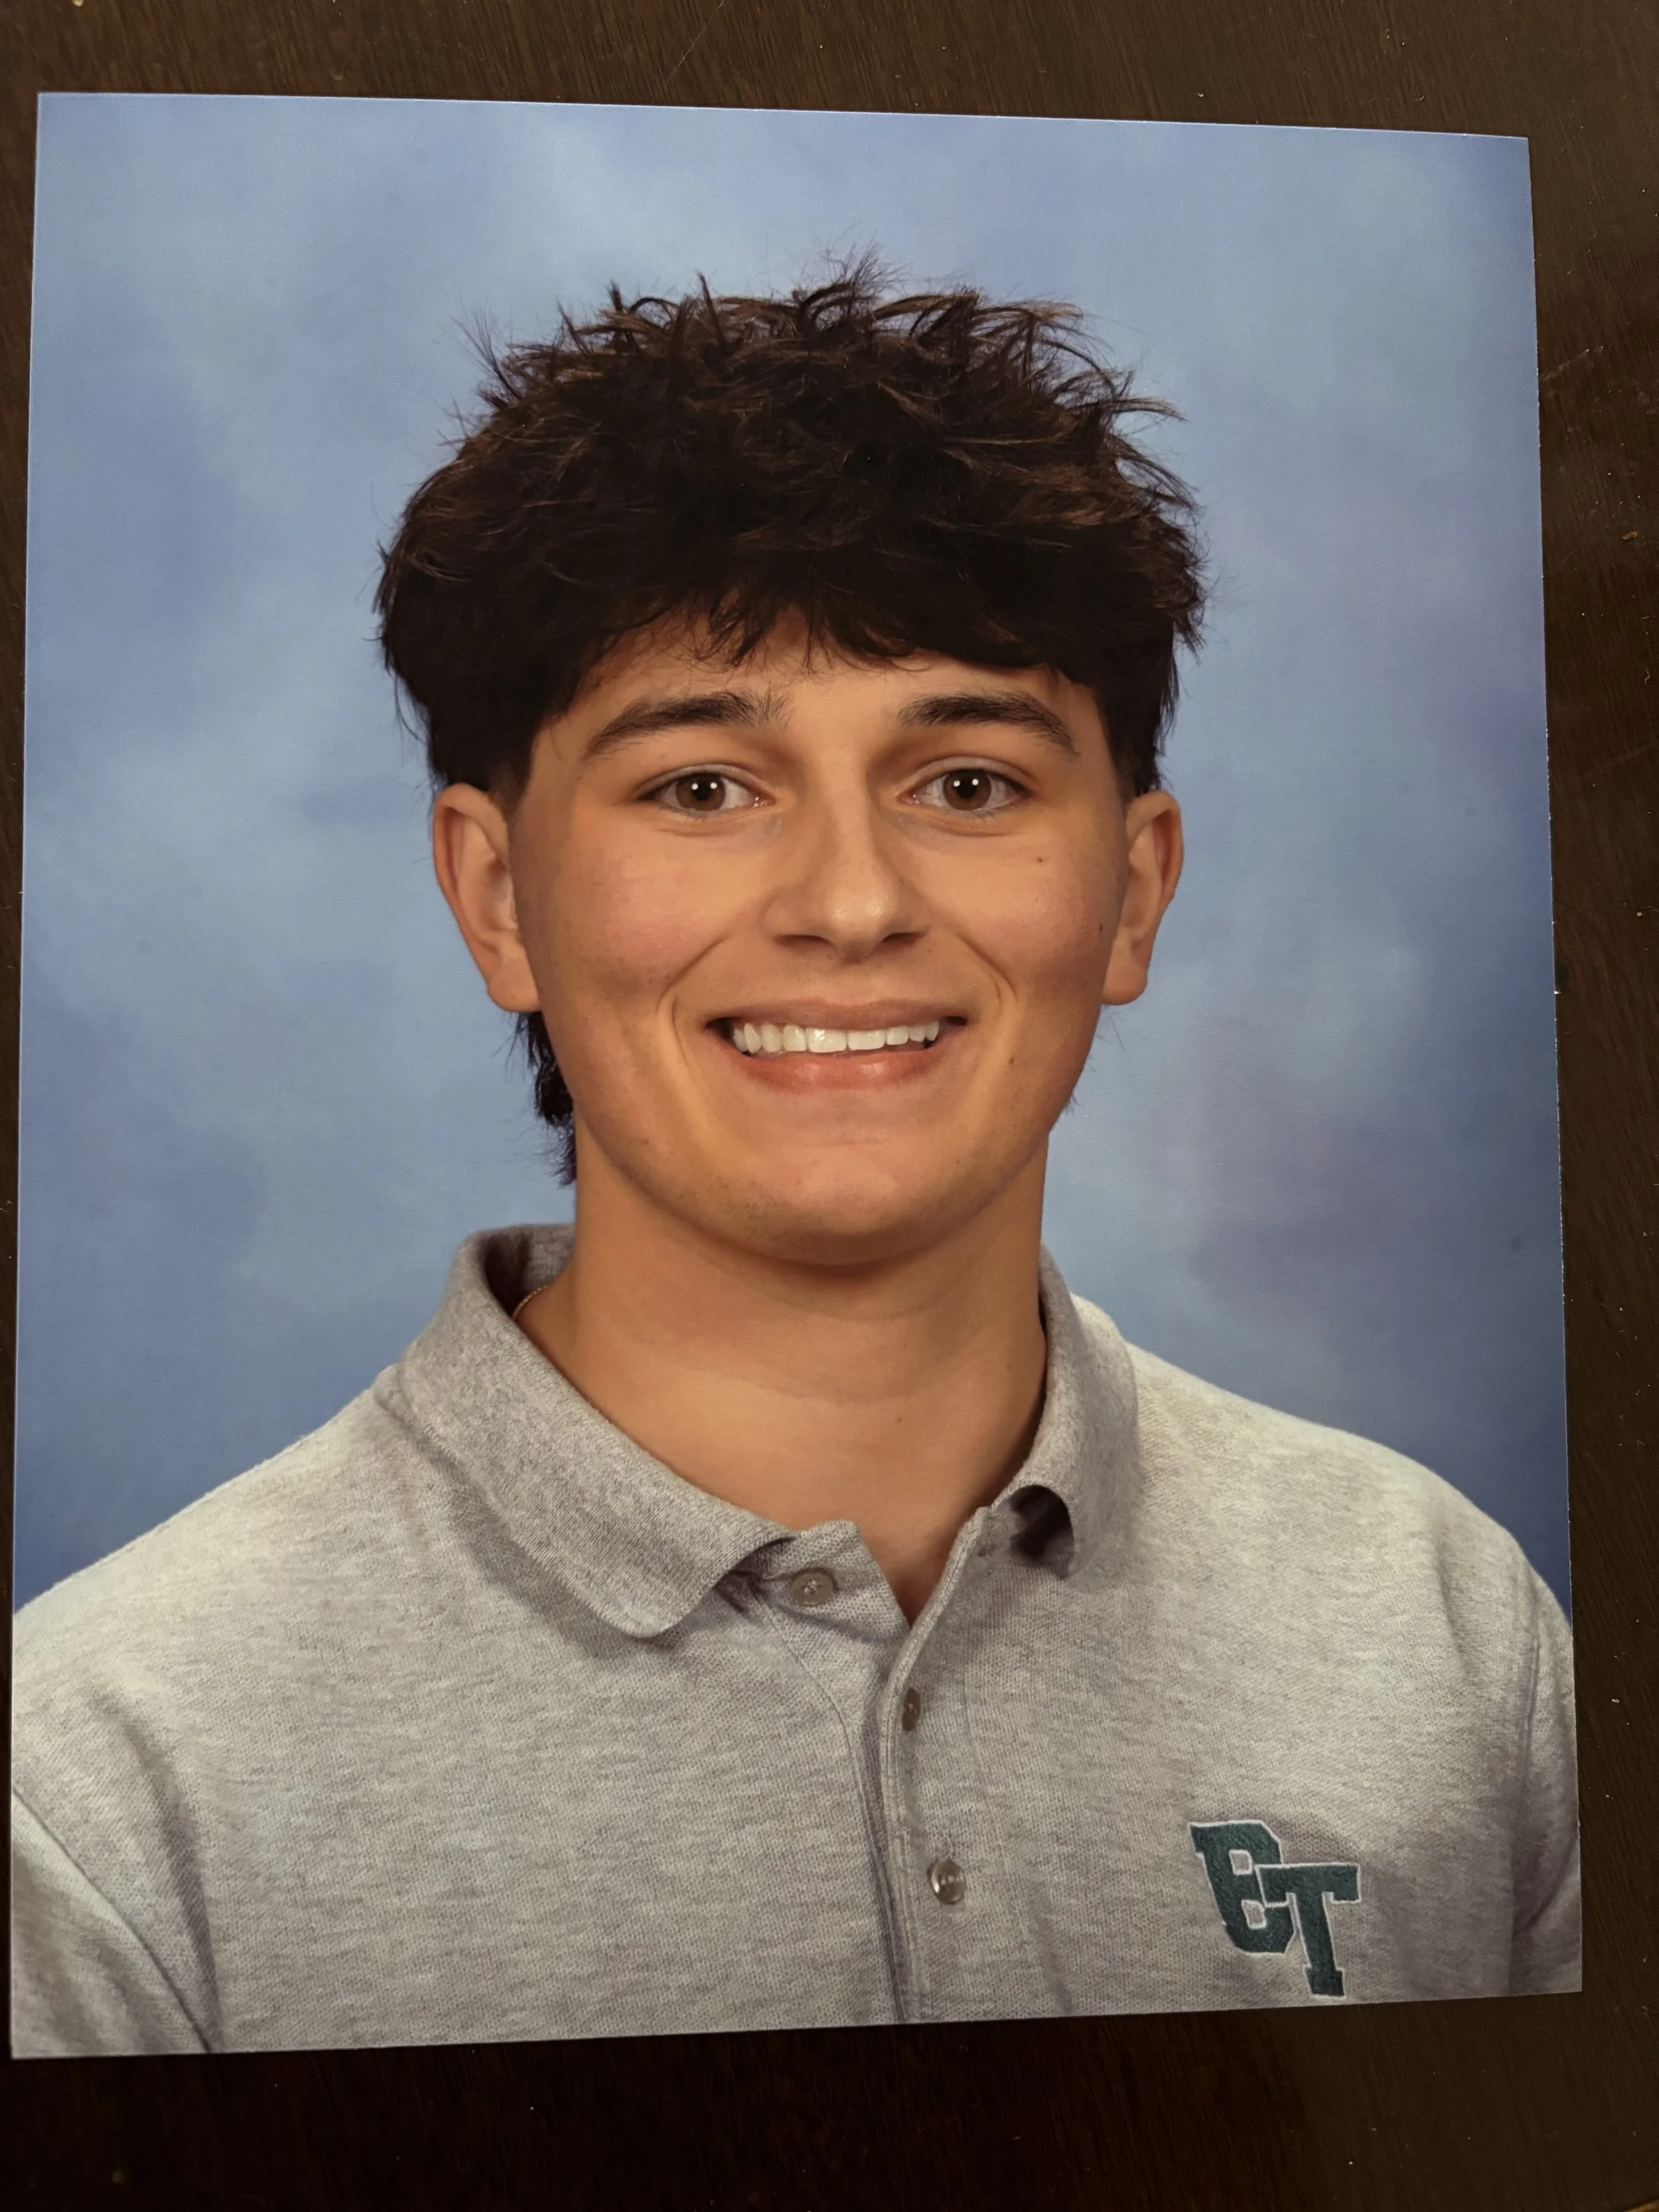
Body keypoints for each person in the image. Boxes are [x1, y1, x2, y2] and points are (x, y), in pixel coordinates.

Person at [10, 269, 1579, 2056]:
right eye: (700, 788)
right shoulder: (98, 1782)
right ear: (497, 894)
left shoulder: (1442, 1629)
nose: (850, 904)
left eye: (968, 783)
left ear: (1132, 887)